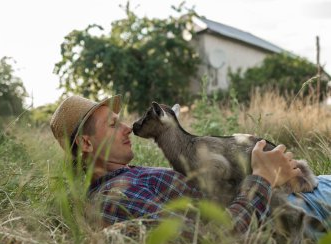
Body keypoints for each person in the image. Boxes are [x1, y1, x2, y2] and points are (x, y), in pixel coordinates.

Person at [50, 94, 331, 233]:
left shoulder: (127, 176)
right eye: (113, 125)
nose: (125, 128)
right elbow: (215, 240)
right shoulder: (116, 198)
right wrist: (263, 178)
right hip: (294, 215)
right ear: (86, 145)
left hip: (293, 192)